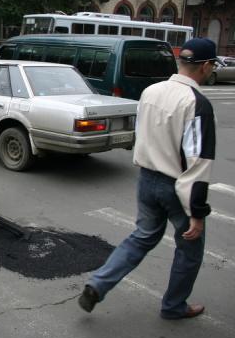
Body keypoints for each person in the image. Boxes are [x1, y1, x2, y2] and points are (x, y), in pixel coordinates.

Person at [78, 38, 217, 320]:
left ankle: (98, 284)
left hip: (146, 180)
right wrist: (197, 213)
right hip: (175, 187)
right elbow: (198, 162)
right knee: (190, 247)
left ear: (182, 63)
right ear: (205, 66)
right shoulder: (196, 102)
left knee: (141, 237)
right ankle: (174, 305)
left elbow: (142, 133)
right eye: (211, 65)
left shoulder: (151, 91)